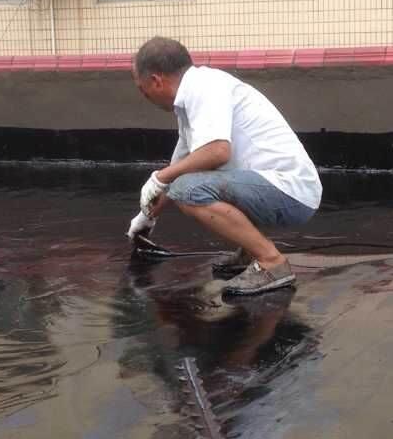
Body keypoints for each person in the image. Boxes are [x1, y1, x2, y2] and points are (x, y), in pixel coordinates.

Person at [126, 36, 322, 295]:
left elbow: (217, 152)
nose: (145, 96)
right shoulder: (190, 102)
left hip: (291, 192)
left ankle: (271, 263)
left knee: (188, 190)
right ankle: (250, 252)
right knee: (184, 183)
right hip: (277, 187)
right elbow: (177, 169)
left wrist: (161, 177)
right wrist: (146, 218)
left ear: (156, 80)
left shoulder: (205, 88)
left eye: (142, 89)